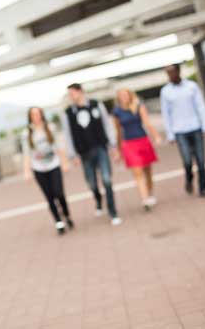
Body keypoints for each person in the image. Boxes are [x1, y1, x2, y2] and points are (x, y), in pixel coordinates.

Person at [62, 83, 122, 226]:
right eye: (69, 95)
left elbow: (107, 125)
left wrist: (112, 145)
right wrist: (72, 155)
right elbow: (68, 135)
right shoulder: (68, 113)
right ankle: (98, 199)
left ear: (80, 92)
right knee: (92, 183)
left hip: (100, 148)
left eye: (72, 93)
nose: (71, 97)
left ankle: (113, 211)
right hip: (84, 153)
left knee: (107, 180)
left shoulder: (96, 105)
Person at [160, 63, 205, 197]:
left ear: (178, 71)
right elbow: (166, 114)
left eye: (172, 72)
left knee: (201, 160)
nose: (170, 75)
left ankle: (203, 188)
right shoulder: (165, 91)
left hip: (195, 127)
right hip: (179, 131)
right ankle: (189, 180)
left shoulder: (192, 86)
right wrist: (170, 134)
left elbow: (201, 106)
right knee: (187, 161)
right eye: (168, 73)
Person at [23, 107, 74, 235]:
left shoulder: (50, 128)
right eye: (33, 114)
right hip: (39, 168)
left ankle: (66, 214)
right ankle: (58, 222)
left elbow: (59, 146)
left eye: (38, 114)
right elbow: (26, 153)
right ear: (30, 117)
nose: (36, 116)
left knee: (59, 192)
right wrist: (27, 171)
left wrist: (64, 162)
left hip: (54, 165)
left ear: (41, 115)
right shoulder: (27, 133)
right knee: (49, 197)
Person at [112, 88, 162, 211]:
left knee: (148, 171)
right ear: (118, 98)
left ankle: (149, 193)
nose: (124, 97)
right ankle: (144, 199)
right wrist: (118, 150)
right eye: (121, 95)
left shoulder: (138, 106)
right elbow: (118, 132)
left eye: (126, 95)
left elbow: (147, 123)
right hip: (128, 144)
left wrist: (156, 136)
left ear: (130, 95)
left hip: (143, 140)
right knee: (137, 172)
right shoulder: (116, 112)